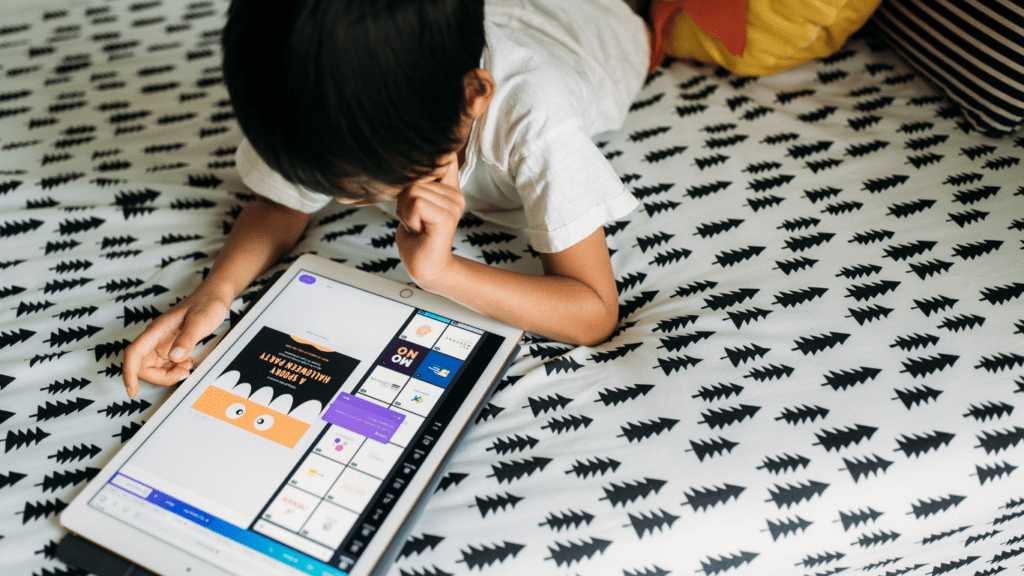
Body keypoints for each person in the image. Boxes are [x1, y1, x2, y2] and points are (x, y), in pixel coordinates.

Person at [123, 0, 651, 398]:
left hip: (598, 22)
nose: (341, 202)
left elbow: (594, 311)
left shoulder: (536, 118)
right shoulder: (314, 100)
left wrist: (442, 271)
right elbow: (281, 203)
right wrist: (216, 291)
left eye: (368, 193)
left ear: (473, 99)